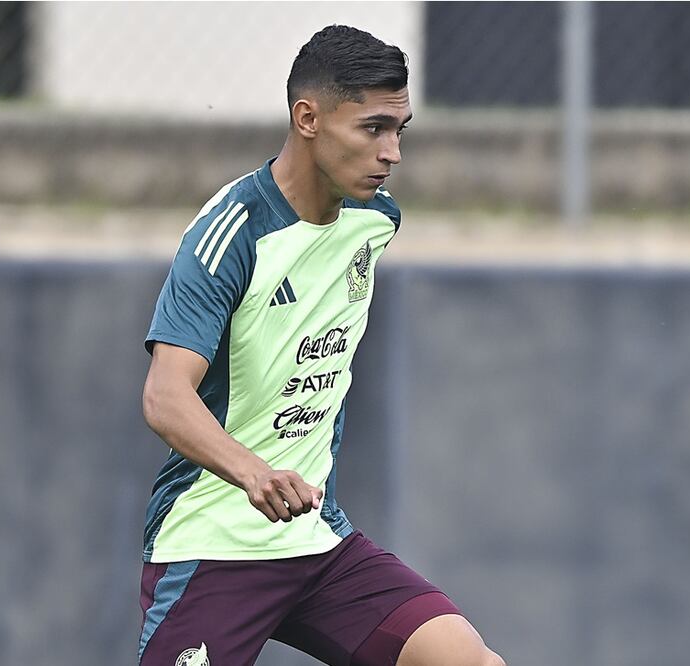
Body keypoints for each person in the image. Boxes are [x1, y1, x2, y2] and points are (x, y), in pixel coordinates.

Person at [137, 24, 506, 666]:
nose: (392, 153)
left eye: (400, 131)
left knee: (466, 660)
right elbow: (165, 397)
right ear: (308, 119)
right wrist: (255, 472)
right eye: (373, 129)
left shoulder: (374, 221)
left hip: (317, 544)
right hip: (213, 547)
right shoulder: (231, 234)